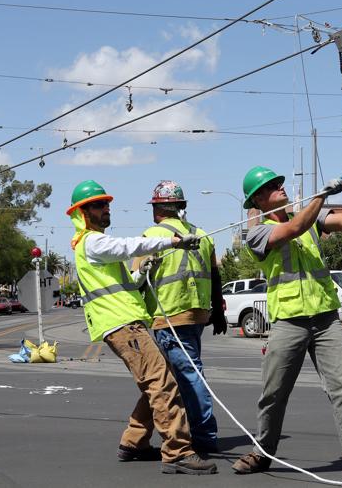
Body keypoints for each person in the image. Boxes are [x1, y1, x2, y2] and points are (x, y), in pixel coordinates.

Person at [231, 165, 342, 486]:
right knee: (274, 393)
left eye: (279, 182)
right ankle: (263, 451)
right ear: (258, 199)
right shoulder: (257, 234)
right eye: (272, 185)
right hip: (289, 321)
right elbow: (293, 228)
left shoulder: (310, 216)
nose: (280, 186)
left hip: (325, 318)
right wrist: (323, 195)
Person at [66, 180, 216, 475]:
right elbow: (129, 246)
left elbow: (123, 285)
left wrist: (140, 274)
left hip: (126, 323)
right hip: (122, 325)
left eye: (107, 204)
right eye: (99, 205)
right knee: (162, 384)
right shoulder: (92, 242)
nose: (106, 208)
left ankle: (133, 442)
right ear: (82, 212)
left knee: (159, 379)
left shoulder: (96, 244)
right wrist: (173, 242)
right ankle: (177, 452)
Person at [133, 180, 227, 454]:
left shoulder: (151, 236)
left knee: (187, 376)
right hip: (197, 315)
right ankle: (134, 438)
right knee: (166, 378)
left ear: (158, 209)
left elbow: (135, 280)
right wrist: (218, 311)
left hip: (169, 316)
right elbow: (216, 276)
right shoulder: (202, 235)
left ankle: (204, 436)